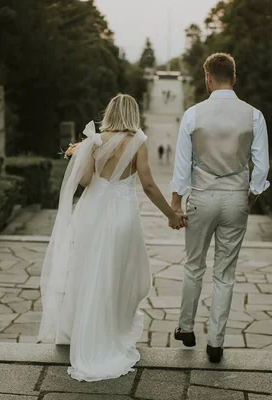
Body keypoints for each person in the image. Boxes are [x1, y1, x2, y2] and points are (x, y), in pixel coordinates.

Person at [38, 94, 187, 382]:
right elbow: (149, 185)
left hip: (92, 213)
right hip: (123, 216)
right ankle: (113, 331)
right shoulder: (138, 142)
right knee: (120, 274)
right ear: (133, 113)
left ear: (110, 112)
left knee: (88, 271)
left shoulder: (94, 141)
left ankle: (83, 331)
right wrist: (170, 214)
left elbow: (84, 182)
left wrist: (80, 155)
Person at [170, 53, 270, 363]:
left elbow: (182, 165)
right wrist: (250, 195)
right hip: (235, 198)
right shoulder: (254, 115)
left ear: (208, 78)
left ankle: (186, 327)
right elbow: (262, 166)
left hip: (201, 196)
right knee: (225, 273)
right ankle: (216, 342)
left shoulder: (193, 114)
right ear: (234, 78)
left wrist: (175, 203)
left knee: (193, 265)